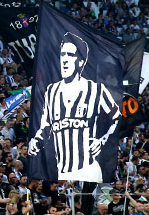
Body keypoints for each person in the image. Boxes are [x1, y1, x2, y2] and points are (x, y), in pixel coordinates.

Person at [28, 33, 120, 182]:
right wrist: (35, 141)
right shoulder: (52, 91)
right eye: (62, 54)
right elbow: (46, 127)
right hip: (62, 173)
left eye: (70, 55)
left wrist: (101, 140)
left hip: (88, 170)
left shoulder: (96, 89)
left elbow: (116, 116)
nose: (64, 59)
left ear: (80, 62)